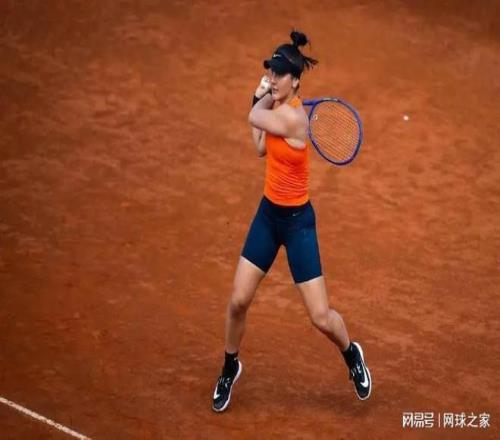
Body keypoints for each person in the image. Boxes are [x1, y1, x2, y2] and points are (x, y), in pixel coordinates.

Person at [212, 30, 371, 413]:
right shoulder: (278, 111)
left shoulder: (295, 119)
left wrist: (259, 96)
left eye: (278, 74)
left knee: (320, 317)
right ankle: (230, 366)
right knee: (238, 301)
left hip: (298, 224)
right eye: (270, 71)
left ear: (295, 81)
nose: (272, 78)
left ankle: (351, 353)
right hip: (269, 216)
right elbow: (259, 146)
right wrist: (263, 97)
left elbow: (254, 116)